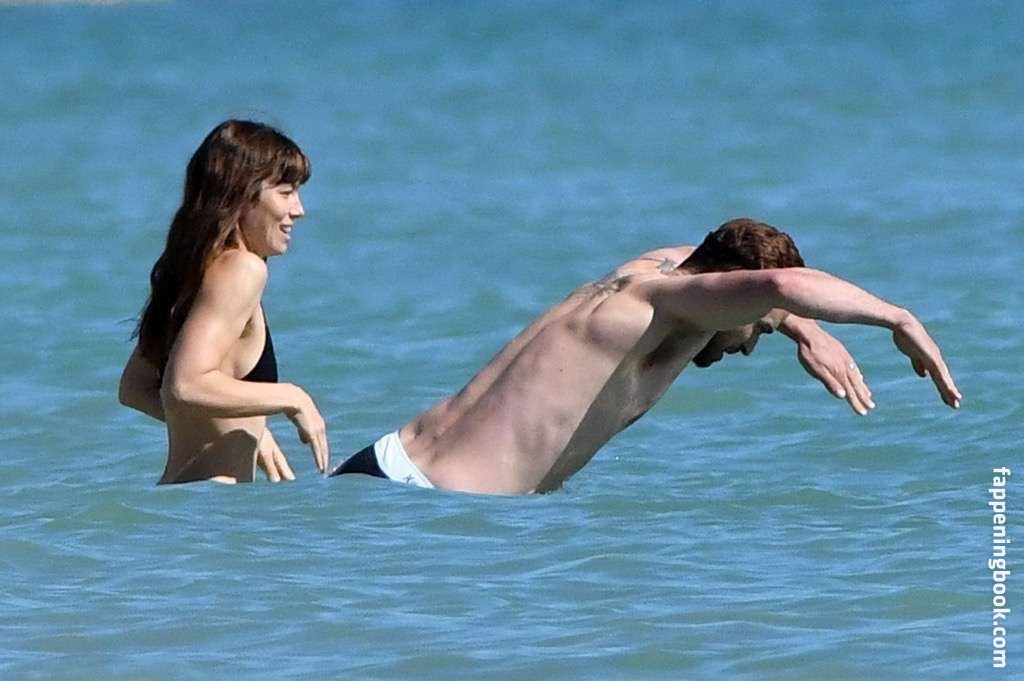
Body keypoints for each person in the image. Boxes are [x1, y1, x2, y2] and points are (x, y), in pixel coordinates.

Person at [331, 218, 961, 495]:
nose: (749, 345)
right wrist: (899, 318)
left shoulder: (648, 273)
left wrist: (802, 328)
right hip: (428, 507)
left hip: (388, 465)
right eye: (756, 328)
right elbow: (778, 284)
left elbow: (732, 270)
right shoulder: (664, 305)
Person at [119, 120, 328, 484]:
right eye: (285, 192)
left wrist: (243, 427)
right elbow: (185, 385)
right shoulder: (242, 270)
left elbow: (135, 389)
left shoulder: (195, 269)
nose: (299, 210)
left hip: (185, 501)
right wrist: (293, 398)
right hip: (211, 506)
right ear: (242, 195)